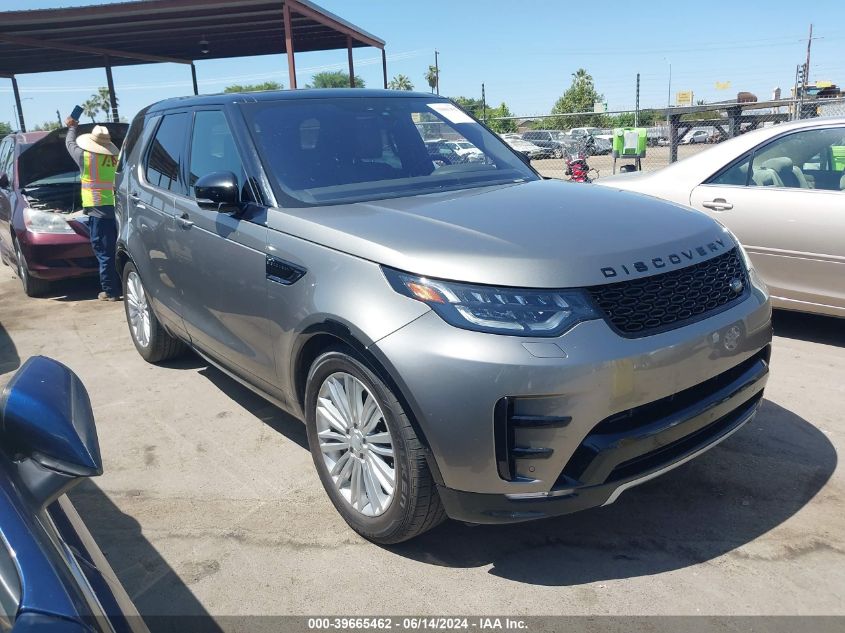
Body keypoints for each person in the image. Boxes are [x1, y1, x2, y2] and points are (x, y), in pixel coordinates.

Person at [65, 118, 121, 301]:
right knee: (118, 250)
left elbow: (69, 143)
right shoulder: (116, 158)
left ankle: (110, 291)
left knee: (104, 253)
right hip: (117, 209)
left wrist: (72, 127)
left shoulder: (85, 157)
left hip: (99, 212)